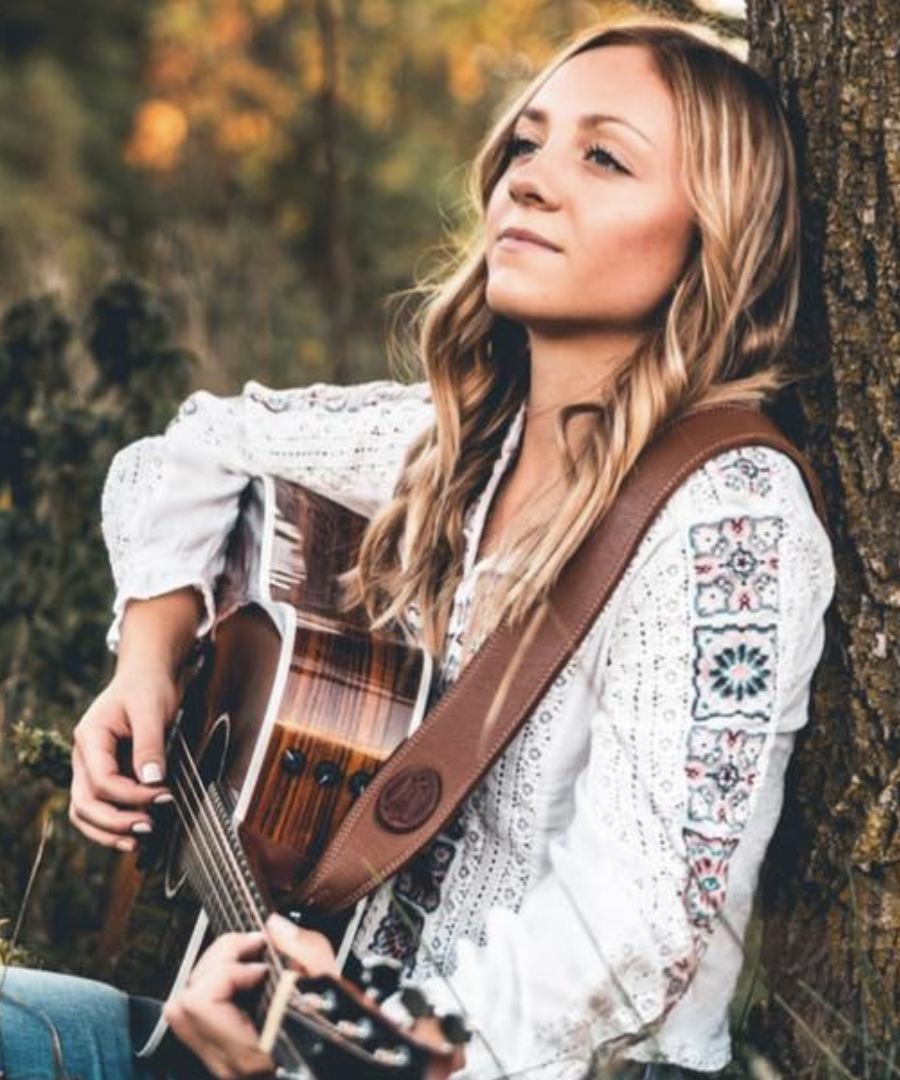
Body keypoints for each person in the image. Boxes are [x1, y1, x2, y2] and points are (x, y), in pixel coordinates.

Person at [0, 16, 835, 1080]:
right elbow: (195, 448)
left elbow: (631, 938)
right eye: (526, 144)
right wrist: (148, 667)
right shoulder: (450, 449)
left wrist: (340, 1050)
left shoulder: (731, 519)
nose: (529, 181)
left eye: (604, 156)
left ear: (713, 237)